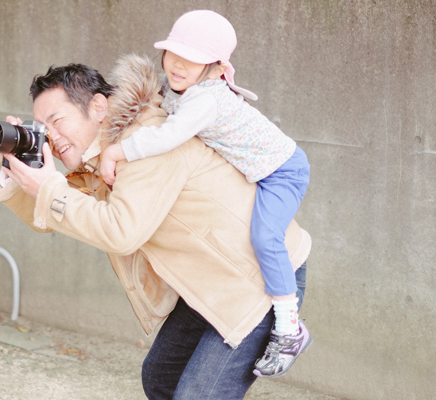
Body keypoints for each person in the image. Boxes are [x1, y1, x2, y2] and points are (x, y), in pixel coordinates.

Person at [0, 53, 312, 399]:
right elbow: (52, 214)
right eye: (41, 127)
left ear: (98, 106)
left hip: (256, 283)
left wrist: (50, 188)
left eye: (56, 120)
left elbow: (120, 231)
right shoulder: (100, 156)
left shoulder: (146, 139)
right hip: (207, 284)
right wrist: (16, 174)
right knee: (161, 379)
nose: (49, 137)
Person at [100, 10, 312, 378]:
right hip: (260, 171)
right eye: (172, 53)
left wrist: (116, 150)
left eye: (192, 58)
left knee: (264, 237)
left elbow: (167, 136)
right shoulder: (184, 91)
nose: (177, 64)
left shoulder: (205, 100)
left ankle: (289, 328)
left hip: (283, 171)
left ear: (214, 67)